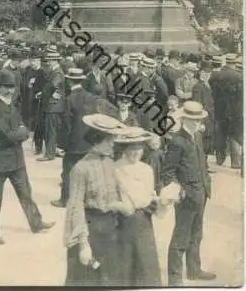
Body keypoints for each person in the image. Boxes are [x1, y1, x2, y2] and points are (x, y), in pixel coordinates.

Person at [0, 69, 55, 245]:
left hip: (16, 160)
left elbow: (22, 129)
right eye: (5, 87)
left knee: (26, 194)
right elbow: (8, 134)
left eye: (11, 87)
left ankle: (36, 223)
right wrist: (20, 133)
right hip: (0, 161)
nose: (9, 90)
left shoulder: (12, 107)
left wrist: (19, 132)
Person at [64, 114, 129, 286]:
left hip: (108, 228)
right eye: (109, 140)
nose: (113, 143)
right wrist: (83, 244)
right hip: (90, 229)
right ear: (96, 140)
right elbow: (75, 207)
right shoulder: (80, 169)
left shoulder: (109, 161)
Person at [161, 101, 215, 285]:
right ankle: (174, 278)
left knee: (196, 234)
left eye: (198, 119)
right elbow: (167, 173)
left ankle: (194, 270)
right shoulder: (177, 141)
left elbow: (201, 163)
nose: (195, 123)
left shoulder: (197, 136)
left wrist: (206, 182)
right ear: (184, 119)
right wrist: (180, 190)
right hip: (187, 197)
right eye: (192, 119)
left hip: (201, 194)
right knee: (181, 237)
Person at [51, 68, 118, 208]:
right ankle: (87, 199)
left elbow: (66, 125)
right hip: (88, 141)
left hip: (73, 143)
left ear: (69, 81)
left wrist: (61, 145)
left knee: (68, 171)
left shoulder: (68, 99)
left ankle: (65, 199)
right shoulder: (91, 97)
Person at [113, 127, 162, 286]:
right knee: (125, 264)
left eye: (139, 148)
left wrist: (161, 201)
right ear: (125, 149)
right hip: (124, 222)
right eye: (131, 148)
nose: (135, 152)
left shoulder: (147, 169)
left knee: (146, 265)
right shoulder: (116, 168)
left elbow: (151, 195)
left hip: (144, 222)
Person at [39, 49, 66, 161]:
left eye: (50, 61)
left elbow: (53, 85)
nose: (48, 63)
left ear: (55, 61)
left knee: (51, 131)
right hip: (53, 105)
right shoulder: (55, 71)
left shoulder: (58, 72)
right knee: (52, 130)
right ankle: (52, 151)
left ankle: (49, 154)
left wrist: (44, 93)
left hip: (53, 106)